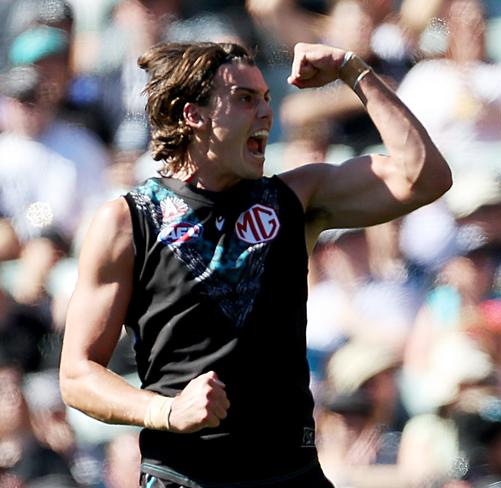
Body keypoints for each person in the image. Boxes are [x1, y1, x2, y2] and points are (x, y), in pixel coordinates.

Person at [59, 40, 452, 487]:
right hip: (186, 477)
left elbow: (426, 177)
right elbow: (76, 375)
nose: (266, 113)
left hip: (293, 475)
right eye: (245, 99)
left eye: (266, 99)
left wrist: (352, 69)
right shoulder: (126, 222)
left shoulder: (295, 198)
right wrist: (164, 410)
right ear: (193, 115)